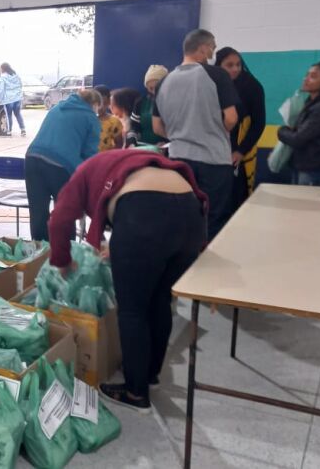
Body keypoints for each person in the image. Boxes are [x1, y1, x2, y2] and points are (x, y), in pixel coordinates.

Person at [48, 149, 207, 412]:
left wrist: (62, 261)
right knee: (159, 299)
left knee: (133, 310)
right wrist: (124, 241)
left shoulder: (82, 174)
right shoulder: (125, 163)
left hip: (144, 212)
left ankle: (135, 392)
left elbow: (59, 220)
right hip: (190, 214)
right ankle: (150, 373)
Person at [153, 28, 239, 241]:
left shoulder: (165, 81)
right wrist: (209, 130)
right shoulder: (217, 75)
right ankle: (207, 270)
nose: (213, 52)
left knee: (183, 217)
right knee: (213, 219)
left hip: (178, 159)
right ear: (203, 48)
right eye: (213, 47)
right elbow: (231, 118)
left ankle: (183, 269)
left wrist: (181, 133)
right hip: (213, 160)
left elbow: (157, 127)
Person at [25, 89, 101, 241]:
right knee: (65, 213)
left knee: (38, 212)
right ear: (95, 104)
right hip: (61, 166)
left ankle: (39, 255)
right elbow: (90, 155)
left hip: (32, 158)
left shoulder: (56, 108)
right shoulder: (90, 118)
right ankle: (66, 256)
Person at [216, 47, 266, 210]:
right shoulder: (212, 86)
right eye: (229, 65)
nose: (235, 69)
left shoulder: (252, 87)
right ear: (219, 66)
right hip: (214, 152)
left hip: (239, 155)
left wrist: (240, 151)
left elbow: (259, 123)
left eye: (238, 64)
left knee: (237, 200)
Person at [132, 65, 169, 145]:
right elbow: (134, 127)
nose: (154, 92)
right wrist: (131, 138)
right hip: (144, 148)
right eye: (151, 88)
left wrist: (166, 143)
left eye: (157, 87)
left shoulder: (172, 102)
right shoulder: (140, 102)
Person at [0, 63, 26, 136]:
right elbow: (20, 85)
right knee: (18, 114)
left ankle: (9, 131)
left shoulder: (2, 77)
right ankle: (23, 130)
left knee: (8, 115)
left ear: (3, 69)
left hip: (8, 99)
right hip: (17, 98)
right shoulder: (16, 75)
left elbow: (1, 90)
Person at [93, 85, 122, 152]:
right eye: (97, 104)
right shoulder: (87, 119)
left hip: (106, 158)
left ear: (109, 102)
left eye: (104, 103)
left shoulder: (114, 121)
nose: (100, 107)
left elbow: (119, 143)